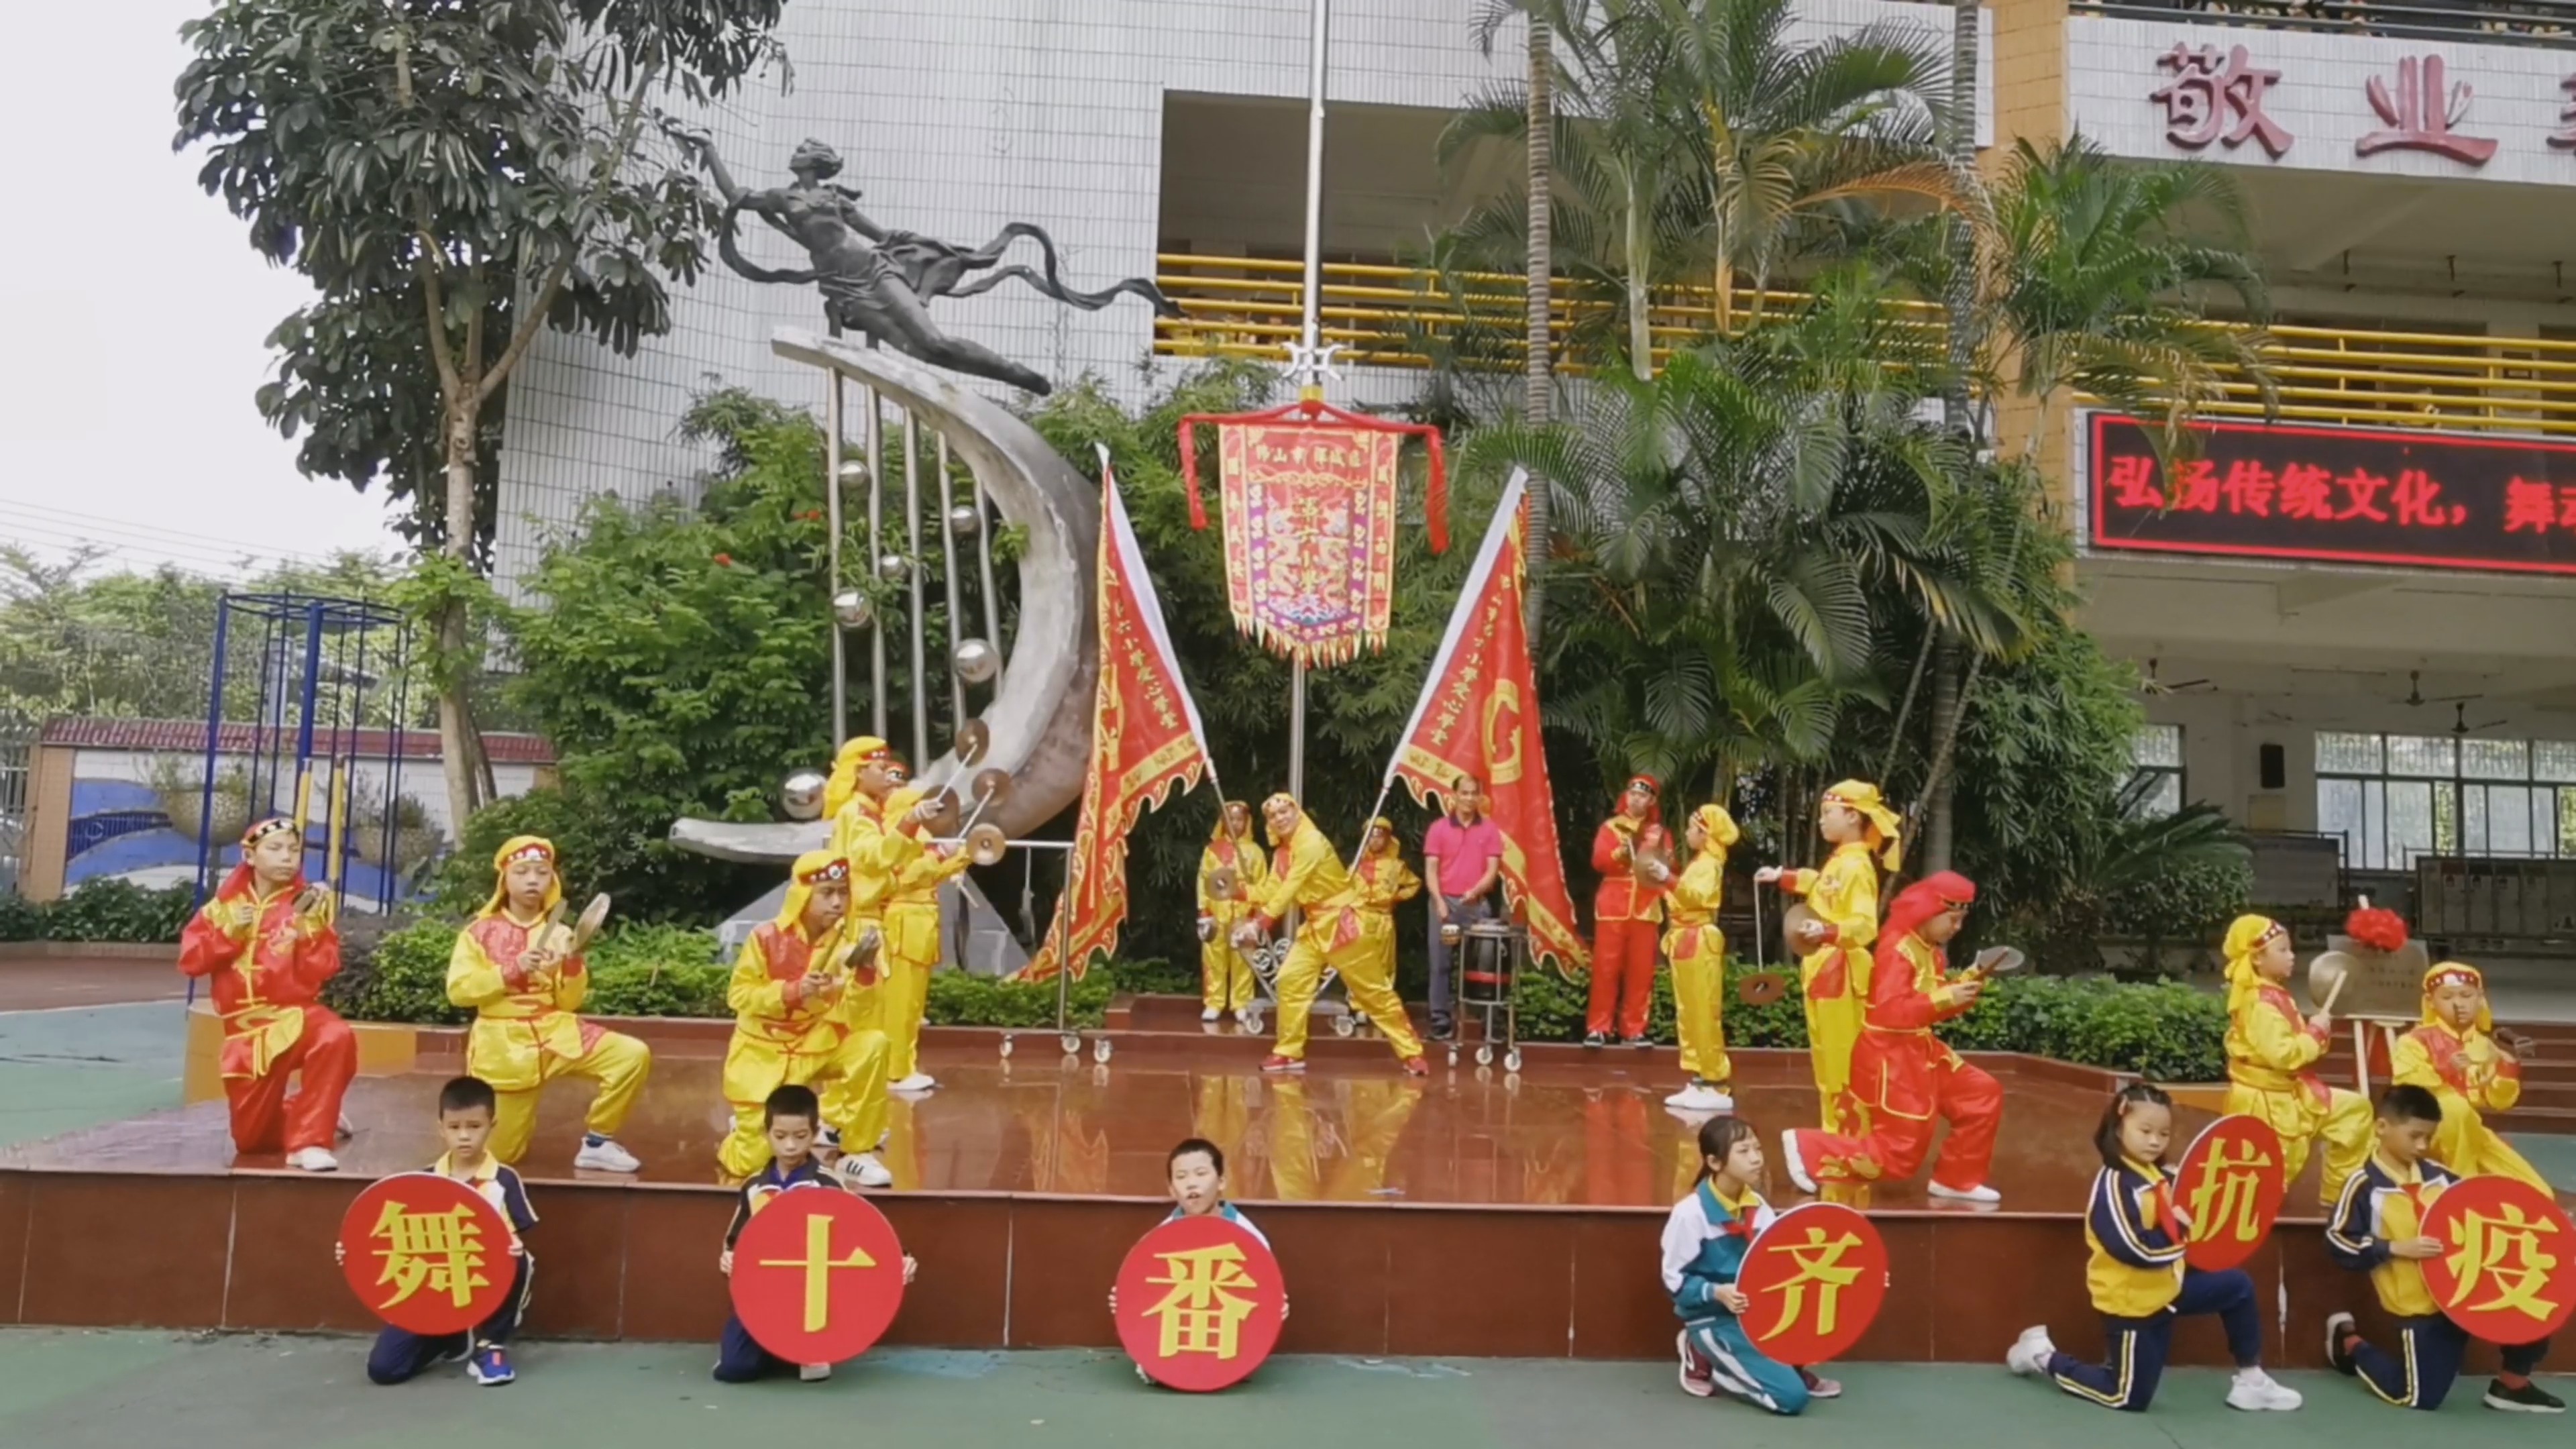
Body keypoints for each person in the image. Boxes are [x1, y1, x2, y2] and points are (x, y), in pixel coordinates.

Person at [2006, 1083, 2302, 1413]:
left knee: (2237, 1287)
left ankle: (2252, 1380)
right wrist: (2180, 1233)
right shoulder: (2115, 1185)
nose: (2154, 1141)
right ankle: (2041, 1356)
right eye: (2145, 1130)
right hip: (2133, 1304)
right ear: (2119, 1128)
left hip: (2167, 1289)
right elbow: (2136, 1250)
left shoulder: (2154, 1174)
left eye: (2163, 1133)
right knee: (2127, 1397)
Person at [2324, 1083, 2561, 1412]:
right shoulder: (2363, 1186)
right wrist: (2393, 1247)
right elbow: (2338, 1241)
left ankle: (2512, 1384)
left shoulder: (2444, 1179)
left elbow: (2493, 1218)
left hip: (2469, 1291)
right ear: (2382, 1128)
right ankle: (2350, 1344)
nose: (2422, 1146)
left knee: (2540, 1301)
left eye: (2429, 1138)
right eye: (2414, 1136)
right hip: (2421, 1309)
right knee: (2419, 1397)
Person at [1779, 871, 2004, 1203]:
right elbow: (1888, 1012)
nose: (1956, 928)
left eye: (1961, 921)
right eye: (1952, 920)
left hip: (1919, 1048)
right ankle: (1808, 1148)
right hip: (1892, 1057)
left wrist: (1961, 988)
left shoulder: (1928, 950)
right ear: (1929, 911)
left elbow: (1926, 1008)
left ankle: (1957, 1178)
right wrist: (1944, 998)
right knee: (1900, 1153)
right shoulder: (1898, 949)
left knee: (1981, 1095)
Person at [444, 837, 653, 1171]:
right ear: (505, 880)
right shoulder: (478, 933)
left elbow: (569, 1003)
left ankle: (598, 1141)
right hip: (503, 1043)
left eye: (541, 873)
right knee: (503, 1155)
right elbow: (459, 991)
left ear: (551, 880)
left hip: (555, 1031)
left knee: (631, 1055)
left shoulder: (561, 934)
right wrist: (513, 970)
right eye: (522, 872)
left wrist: (570, 965)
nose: (532, 880)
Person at [176, 816, 356, 1172]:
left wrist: (306, 937)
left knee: (336, 1036)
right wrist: (230, 933)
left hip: (295, 1014)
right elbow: (191, 962)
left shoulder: (307, 907)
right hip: (246, 1032)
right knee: (253, 1141)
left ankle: (310, 1142)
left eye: (293, 850)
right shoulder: (221, 909)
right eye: (275, 849)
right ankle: (319, 1113)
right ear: (250, 855)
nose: (287, 857)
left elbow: (324, 968)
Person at [714, 1084, 920, 1384]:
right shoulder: (755, 1187)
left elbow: (862, 1228)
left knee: (811, 1357)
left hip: (813, 1298)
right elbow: (734, 1242)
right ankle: (778, 1350)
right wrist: (729, 1259)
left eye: (800, 1137)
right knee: (734, 1370)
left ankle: (801, 1348)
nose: (790, 1147)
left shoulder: (828, 1184)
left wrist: (901, 1260)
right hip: (766, 1296)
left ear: (814, 1133)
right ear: (767, 1133)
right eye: (780, 1136)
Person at [341, 1076, 537, 1387]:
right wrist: (353, 1250)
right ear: (441, 1127)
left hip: (478, 1282)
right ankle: (452, 1337)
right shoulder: (423, 1183)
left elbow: (520, 1234)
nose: (464, 1137)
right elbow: (391, 1238)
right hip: (431, 1289)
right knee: (384, 1370)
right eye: (455, 1127)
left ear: (492, 1125)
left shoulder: (504, 1179)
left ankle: (490, 1346)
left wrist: (512, 1245)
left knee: (519, 1259)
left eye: (474, 1127)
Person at [718, 851, 894, 1189]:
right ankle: (743, 1133)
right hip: (763, 1054)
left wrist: (865, 974)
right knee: (752, 1163)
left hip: (815, 1042)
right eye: (827, 893)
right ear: (803, 894)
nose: (838, 901)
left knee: (873, 1045)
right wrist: (792, 991)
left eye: (843, 892)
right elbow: (739, 996)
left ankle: (856, 1151)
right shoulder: (764, 937)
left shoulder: (849, 943)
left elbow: (860, 1014)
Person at [1236, 794, 1428, 1077]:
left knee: (1373, 992)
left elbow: (1292, 887)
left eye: (1285, 810)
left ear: (1297, 812)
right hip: (1315, 927)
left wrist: (1261, 922)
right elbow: (1270, 891)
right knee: (1290, 979)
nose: (1280, 817)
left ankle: (1412, 1052)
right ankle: (1289, 1051)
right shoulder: (1282, 854)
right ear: (1269, 824)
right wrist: (1236, 890)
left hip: (1343, 924)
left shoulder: (1311, 841)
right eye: (1274, 815)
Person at [1666, 1115, 1841, 1413]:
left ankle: (1787, 1367)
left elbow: (1775, 1262)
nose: (1757, 1159)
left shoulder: (1758, 1207)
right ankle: (1707, 1354)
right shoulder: (1690, 1215)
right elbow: (1674, 1281)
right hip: (1714, 1316)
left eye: (1757, 1149)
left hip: (1757, 1310)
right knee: (1791, 1400)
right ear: (1715, 1162)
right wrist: (1717, 1292)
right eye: (1744, 1152)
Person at [1756, 780, 1899, 1134]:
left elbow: (1865, 925)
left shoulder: (1858, 866)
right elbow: (1820, 883)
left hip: (1841, 971)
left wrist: (1830, 932)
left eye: (1827, 813)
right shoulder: (1841, 862)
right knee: (1826, 1061)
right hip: (1825, 971)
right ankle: (1834, 1132)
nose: (1821, 821)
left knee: (1842, 1061)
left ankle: (1849, 1136)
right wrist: (1783, 876)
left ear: (1852, 816)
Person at [2219, 914, 2369, 1208]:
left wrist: (2317, 1031)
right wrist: (2315, 1031)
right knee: (2268, 1174)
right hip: (2266, 1100)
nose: (2292, 956)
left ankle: (2337, 1197)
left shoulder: (2273, 994)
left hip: (2288, 1091)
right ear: (2258, 958)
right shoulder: (2260, 1002)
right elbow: (2284, 1055)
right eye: (2283, 950)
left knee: (2355, 1111)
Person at [1110, 1138, 1287, 1384]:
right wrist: (1125, 1301)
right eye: (1181, 1177)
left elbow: (1264, 1294)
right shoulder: (1158, 1241)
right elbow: (1144, 1294)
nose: (1192, 1184)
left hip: (1226, 1341)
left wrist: (1276, 1306)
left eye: (1201, 1174)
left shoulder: (1249, 1238)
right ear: (1172, 1189)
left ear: (1222, 1181)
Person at [2389, 961, 2548, 1193]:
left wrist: (2506, 1067)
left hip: (2471, 1129)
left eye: (2466, 996)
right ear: (2430, 1002)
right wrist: (2448, 1069)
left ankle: (2467, 1185)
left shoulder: (2485, 1046)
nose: (2459, 1004)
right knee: (2454, 1108)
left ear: (2480, 999)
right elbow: (2411, 1089)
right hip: (2426, 1130)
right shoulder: (2413, 1041)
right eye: (2447, 997)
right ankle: (2460, 1186)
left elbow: (2499, 1102)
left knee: (2536, 1191)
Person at [877, 766, 971, 1095]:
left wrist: (964, 857)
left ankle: (905, 1066)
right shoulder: (896, 836)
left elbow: (931, 876)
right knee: (900, 1006)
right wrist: (938, 858)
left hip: (921, 923)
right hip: (903, 925)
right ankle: (895, 1071)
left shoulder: (919, 836)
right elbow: (903, 877)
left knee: (914, 1008)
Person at [1661, 804, 1739, 1112]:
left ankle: (1714, 1078)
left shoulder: (1709, 864)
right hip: (1685, 936)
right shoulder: (1699, 862)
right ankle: (1698, 1077)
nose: (1687, 833)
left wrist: (1668, 879)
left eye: (1692, 828)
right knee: (1689, 1011)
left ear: (1704, 833)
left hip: (1698, 937)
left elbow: (1696, 896)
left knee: (1704, 1012)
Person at [1587, 775, 1668, 1048]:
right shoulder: (1611, 828)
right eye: (1632, 793)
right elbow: (1599, 861)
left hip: (1646, 907)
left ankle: (1634, 1030)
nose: (1636, 798)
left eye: (1643, 795)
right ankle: (1598, 1027)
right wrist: (1619, 855)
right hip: (1613, 906)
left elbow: (1670, 866)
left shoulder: (1659, 833)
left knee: (1641, 972)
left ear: (1652, 801)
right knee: (1605, 969)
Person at [1421, 774, 1503, 1040]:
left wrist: (1476, 891)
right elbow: (1431, 870)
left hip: (1476, 907)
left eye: (1473, 794)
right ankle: (1440, 1021)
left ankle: (1488, 1022)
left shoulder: (1489, 829)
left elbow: (1492, 870)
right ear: (1454, 795)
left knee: (1483, 964)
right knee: (1441, 964)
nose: (1469, 798)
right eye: (1464, 793)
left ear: (1480, 797)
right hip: (1447, 907)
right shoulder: (1439, 828)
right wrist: (1439, 902)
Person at [1195, 801, 1269, 1025]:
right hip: (1217, 911)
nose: (1235, 823)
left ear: (1246, 822)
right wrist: (1203, 909)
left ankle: (1242, 1003)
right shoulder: (1212, 850)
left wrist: (1258, 914)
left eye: (1239, 819)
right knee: (1214, 958)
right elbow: (1203, 879)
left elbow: (1263, 883)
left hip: (1244, 913)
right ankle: (1214, 1003)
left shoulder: (1255, 852)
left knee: (1244, 960)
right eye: (1230, 818)